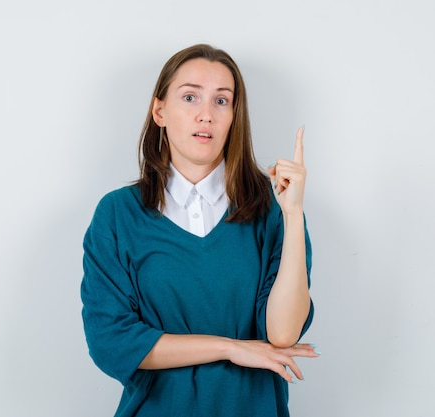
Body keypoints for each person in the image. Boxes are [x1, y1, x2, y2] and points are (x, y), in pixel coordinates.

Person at [80, 43, 320, 417]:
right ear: (159, 111)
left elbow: (283, 335)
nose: (206, 114)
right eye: (190, 97)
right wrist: (230, 347)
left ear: (234, 115)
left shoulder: (274, 208)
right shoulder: (117, 214)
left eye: (221, 101)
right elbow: (111, 342)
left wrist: (293, 214)